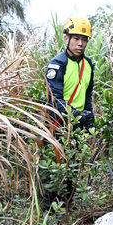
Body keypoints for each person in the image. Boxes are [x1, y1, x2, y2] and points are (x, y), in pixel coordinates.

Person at [42, 15, 96, 210]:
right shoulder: (57, 64)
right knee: (54, 168)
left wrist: (90, 119)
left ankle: (68, 206)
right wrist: (76, 115)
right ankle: (49, 211)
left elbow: (87, 95)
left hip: (78, 125)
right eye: (76, 39)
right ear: (66, 39)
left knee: (73, 166)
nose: (80, 44)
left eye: (84, 40)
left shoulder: (89, 64)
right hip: (58, 125)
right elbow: (54, 100)